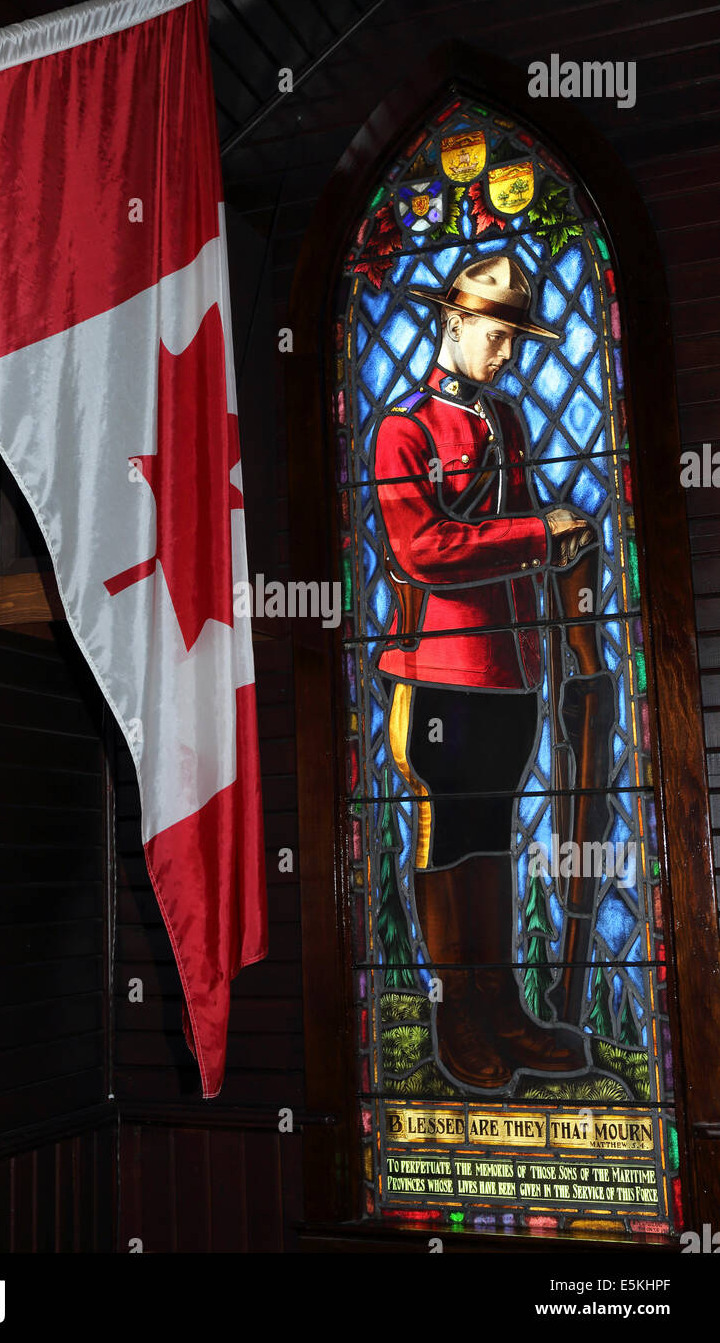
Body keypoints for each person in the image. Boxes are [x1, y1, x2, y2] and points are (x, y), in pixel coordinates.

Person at [373, 254, 594, 1091]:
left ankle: (502, 1010)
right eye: (497, 336)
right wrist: (540, 534)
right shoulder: (404, 429)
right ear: (454, 324)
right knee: (451, 832)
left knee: (494, 835)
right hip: (437, 669)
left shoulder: (508, 421)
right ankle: (455, 1017)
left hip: (510, 667)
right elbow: (422, 549)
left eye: (514, 340)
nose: (507, 356)